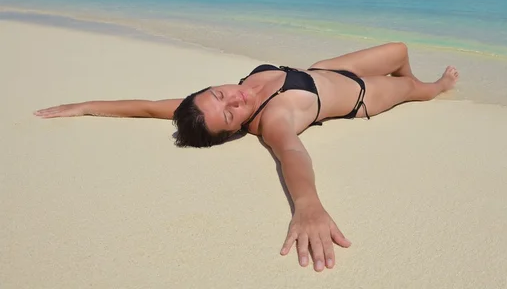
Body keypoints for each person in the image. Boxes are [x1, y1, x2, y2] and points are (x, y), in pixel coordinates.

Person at [34, 42, 459, 273]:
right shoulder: (274, 119)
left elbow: (148, 106)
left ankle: (414, 76)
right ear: (236, 128)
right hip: (361, 97)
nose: (235, 98)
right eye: (231, 113)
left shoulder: (207, 104)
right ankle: (434, 85)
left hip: (323, 69)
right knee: (417, 89)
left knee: (400, 51)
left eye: (221, 94)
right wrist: (308, 206)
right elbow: (291, 152)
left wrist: (86, 105)